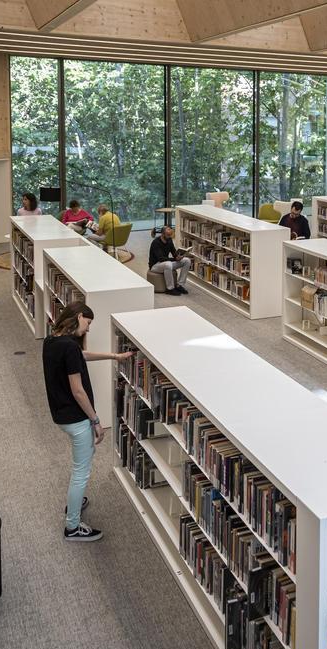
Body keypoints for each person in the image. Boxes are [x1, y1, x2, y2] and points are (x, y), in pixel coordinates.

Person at [42, 301, 133, 542]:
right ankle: (72, 526)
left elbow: (81, 356)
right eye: (88, 322)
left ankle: (75, 501)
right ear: (79, 316)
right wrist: (95, 420)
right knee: (80, 472)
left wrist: (114, 356)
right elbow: (78, 390)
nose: (89, 329)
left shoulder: (52, 340)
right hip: (77, 418)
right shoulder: (69, 348)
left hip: (60, 414)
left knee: (78, 469)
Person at [149, 226, 192, 296]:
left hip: (166, 263)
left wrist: (178, 256)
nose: (169, 237)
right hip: (155, 265)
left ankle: (179, 285)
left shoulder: (169, 240)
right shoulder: (155, 243)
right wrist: (174, 259)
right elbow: (161, 259)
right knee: (168, 264)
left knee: (187, 261)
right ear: (162, 234)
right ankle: (170, 289)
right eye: (167, 235)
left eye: (170, 235)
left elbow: (174, 252)